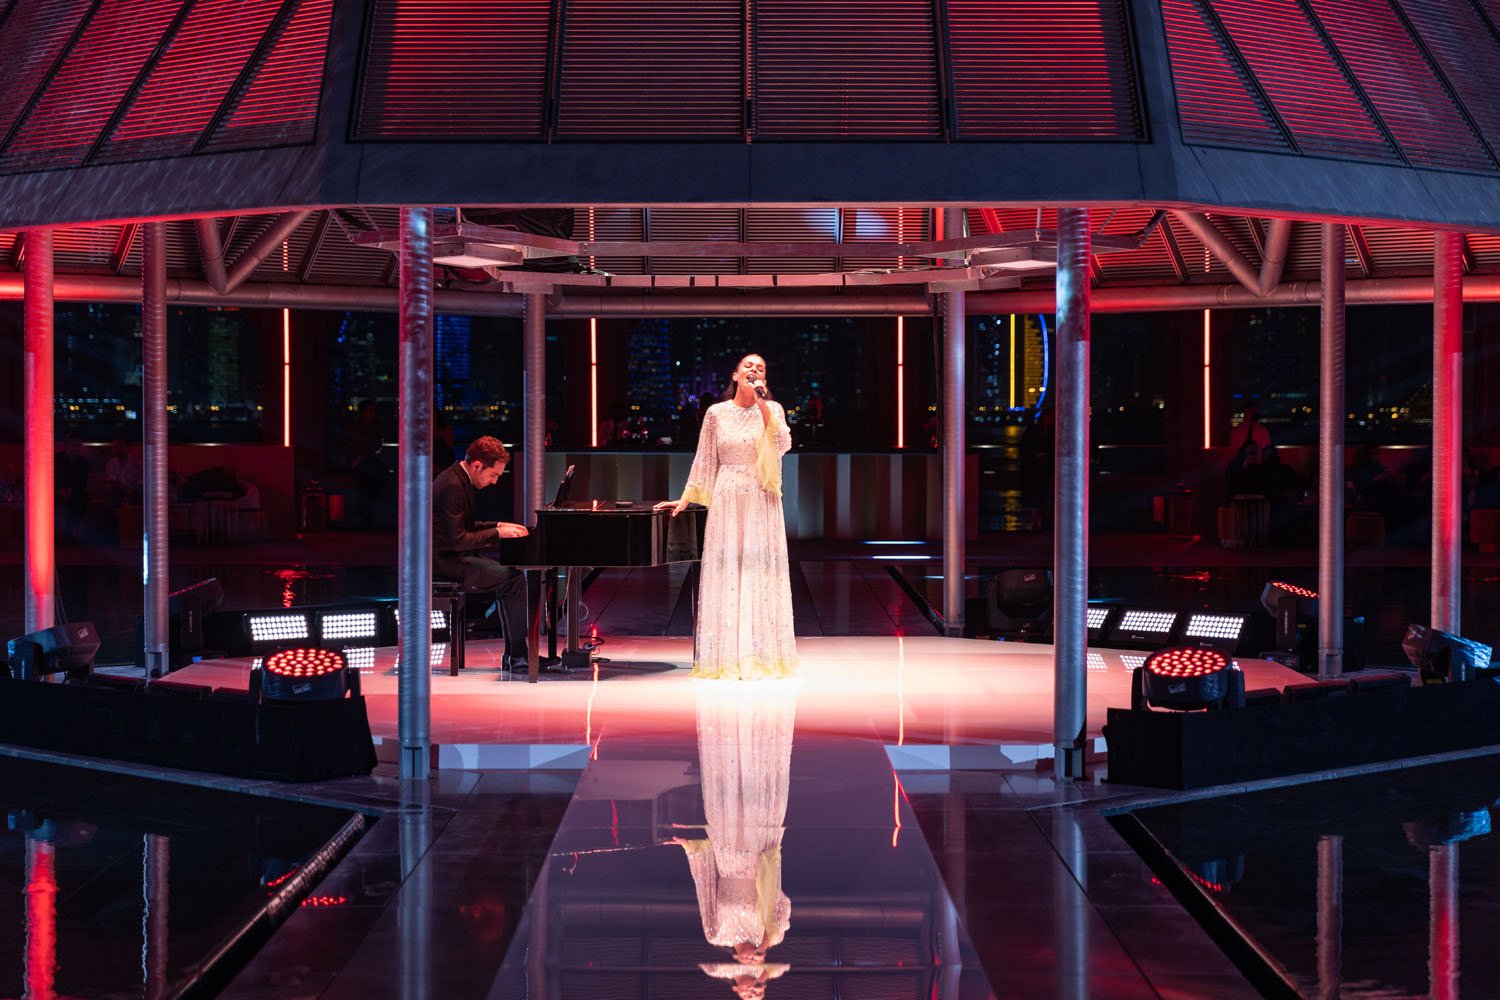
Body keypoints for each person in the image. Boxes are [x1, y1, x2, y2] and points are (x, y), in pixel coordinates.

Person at [658, 354, 797, 679]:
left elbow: (783, 443)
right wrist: (686, 497)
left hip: (761, 498)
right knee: (728, 571)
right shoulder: (716, 414)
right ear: (735, 375)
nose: (754, 370)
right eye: (748, 366)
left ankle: (761, 655)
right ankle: (726, 657)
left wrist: (764, 402)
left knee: (758, 569)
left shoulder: (772, 409)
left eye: (761, 368)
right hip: (727, 497)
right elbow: (704, 460)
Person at [678, 680, 797, 998]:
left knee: (727, 789)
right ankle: (762, 714)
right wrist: (765, 943)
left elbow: (705, 886)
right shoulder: (773, 933)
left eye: (749, 996)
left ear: (734, 988)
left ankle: (726, 715)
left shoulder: (715, 934)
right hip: (759, 852)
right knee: (756, 788)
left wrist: (692, 850)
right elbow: (781, 900)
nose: (754, 991)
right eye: (760, 993)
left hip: (727, 857)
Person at [432, 436, 533, 672]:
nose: (495, 482)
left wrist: (498, 524)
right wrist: (497, 533)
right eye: (493, 475)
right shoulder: (451, 486)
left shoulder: (458, 479)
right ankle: (517, 657)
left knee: (510, 577)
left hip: (451, 556)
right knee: (514, 579)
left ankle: (516, 655)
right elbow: (459, 540)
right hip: (444, 562)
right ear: (477, 465)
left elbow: (465, 526)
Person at [341, 400, 388, 528]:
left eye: (372, 411)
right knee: (370, 477)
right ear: (362, 412)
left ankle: (364, 513)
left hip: (365, 460)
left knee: (377, 475)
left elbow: (375, 445)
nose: (371, 414)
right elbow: (350, 444)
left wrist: (362, 456)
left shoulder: (374, 428)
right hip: (357, 460)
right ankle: (365, 514)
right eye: (368, 410)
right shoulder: (353, 427)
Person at [104, 439, 141, 507]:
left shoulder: (136, 463)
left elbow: (140, 482)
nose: (117, 449)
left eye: (120, 446)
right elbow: (111, 481)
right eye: (115, 447)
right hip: (117, 492)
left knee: (140, 492)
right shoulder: (110, 463)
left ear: (127, 447)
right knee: (112, 491)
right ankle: (115, 515)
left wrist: (132, 491)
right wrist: (125, 489)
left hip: (133, 492)